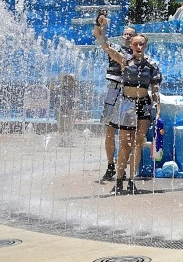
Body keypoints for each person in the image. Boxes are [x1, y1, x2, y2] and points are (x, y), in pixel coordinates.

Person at [95, 15, 162, 195]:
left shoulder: (152, 65)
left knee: (138, 144)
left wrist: (158, 109)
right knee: (124, 145)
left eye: (141, 44)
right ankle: (118, 181)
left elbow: (154, 90)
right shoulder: (124, 61)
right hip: (127, 105)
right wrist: (101, 27)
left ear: (145, 46)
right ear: (131, 44)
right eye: (135, 44)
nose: (138, 47)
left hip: (143, 106)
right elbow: (106, 46)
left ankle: (132, 181)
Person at [92, 22, 136, 183]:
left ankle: (123, 167)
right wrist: (99, 23)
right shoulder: (114, 47)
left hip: (130, 92)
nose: (128, 36)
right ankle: (111, 165)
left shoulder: (138, 53)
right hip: (114, 89)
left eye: (131, 34)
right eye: (126, 34)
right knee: (110, 130)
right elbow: (99, 36)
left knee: (128, 133)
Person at [52, 74, 79, 146]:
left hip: (70, 110)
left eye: (70, 80)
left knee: (70, 127)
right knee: (61, 127)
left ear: (73, 81)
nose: (67, 81)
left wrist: (76, 109)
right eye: (66, 79)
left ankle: (70, 141)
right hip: (61, 110)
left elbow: (77, 100)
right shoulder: (61, 87)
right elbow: (52, 88)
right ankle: (62, 141)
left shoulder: (75, 89)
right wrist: (52, 81)